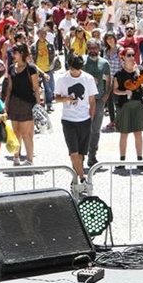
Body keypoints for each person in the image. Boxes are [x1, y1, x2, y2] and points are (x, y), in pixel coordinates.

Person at [54, 54, 97, 190]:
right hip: (68, 119)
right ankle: (83, 179)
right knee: (73, 152)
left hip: (84, 120)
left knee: (80, 155)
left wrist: (91, 118)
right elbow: (56, 98)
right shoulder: (62, 79)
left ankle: (75, 179)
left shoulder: (88, 78)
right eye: (73, 69)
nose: (75, 72)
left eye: (77, 70)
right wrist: (66, 98)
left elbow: (92, 101)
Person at [4, 43, 42, 166]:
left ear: (21, 53)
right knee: (15, 132)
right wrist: (6, 103)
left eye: (14, 53)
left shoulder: (31, 68)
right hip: (14, 102)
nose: (12, 55)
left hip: (27, 103)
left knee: (27, 133)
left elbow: (36, 88)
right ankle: (16, 157)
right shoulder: (11, 68)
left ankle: (30, 159)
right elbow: (9, 87)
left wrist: (38, 105)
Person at [111, 48, 143, 169]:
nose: (132, 57)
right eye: (129, 55)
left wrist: (138, 74)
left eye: (133, 55)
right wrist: (124, 92)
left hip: (137, 104)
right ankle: (122, 160)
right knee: (124, 133)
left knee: (138, 133)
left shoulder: (139, 71)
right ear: (123, 58)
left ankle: (140, 160)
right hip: (124, 105)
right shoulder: (119, 74)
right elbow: (115, 90)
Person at [82, 40, 110, 167]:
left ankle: (92, 156)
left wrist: (105, 98)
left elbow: (109, 83)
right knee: (83, 128)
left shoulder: (104, 63)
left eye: (95, 48)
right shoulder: (82, 61)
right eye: (90, 48)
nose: (92, 50)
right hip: (84, 100)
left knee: (95, 130)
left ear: (99, 49)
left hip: (99, 100)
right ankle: (81, 154)